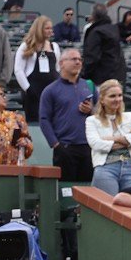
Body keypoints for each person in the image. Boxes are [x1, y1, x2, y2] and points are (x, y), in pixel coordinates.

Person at [37, 48, 95, 182]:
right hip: (65, 149)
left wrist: (91, 110)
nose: (78, 62)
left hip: (88, 148)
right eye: (74, 59)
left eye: (80, 59)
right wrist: (55, 144)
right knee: (65, 191)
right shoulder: (50, 90)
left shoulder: (89, 86)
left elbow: (100, 114)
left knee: (88, 192)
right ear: (62, 63)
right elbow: (44, 119)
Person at [86, 79, 131, 194]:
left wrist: (112, 139)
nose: (117, 99)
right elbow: (96, 144)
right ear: (102, 99)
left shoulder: (130, 116)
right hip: (106, 168)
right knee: (108, 209)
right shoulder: (92, 120)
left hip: (130, 167)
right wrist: (126, 140)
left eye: (120, 95)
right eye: (112, 96)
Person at [16, 16, 59, 123]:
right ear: (39, 29)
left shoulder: (54, 46)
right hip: (33, 93)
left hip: (51, 92)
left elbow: (58, 68)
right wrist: (28, 89)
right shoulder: (26, 46)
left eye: (51, 28)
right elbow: (18, 70)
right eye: (47, 28)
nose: (50, 31)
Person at [82, 5, 124, 90]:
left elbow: (92, 57)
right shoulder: (114, 29)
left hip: (101, 79)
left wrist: (83, 75)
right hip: (117, 76)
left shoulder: (96, 32)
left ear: (93, 16)